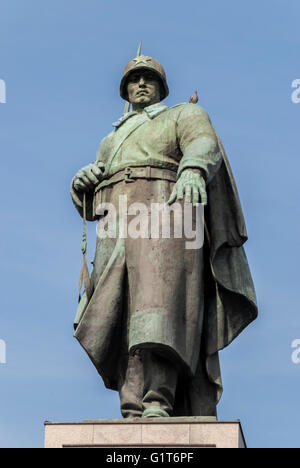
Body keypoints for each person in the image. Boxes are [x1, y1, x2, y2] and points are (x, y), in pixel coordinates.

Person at [70, 55, 257, 418]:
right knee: (119, 314)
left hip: (165, 214)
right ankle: (131, 406)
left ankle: (159, 399)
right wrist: (83, 186)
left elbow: (204, 144)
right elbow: (92, 200)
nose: (141, 84)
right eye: (134, 79)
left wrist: (192, 169)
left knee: (157, 311)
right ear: (125, 89)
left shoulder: (182, 115)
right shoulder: (111, 139)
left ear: (161, 87)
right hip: (116, 224)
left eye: (148, 79)